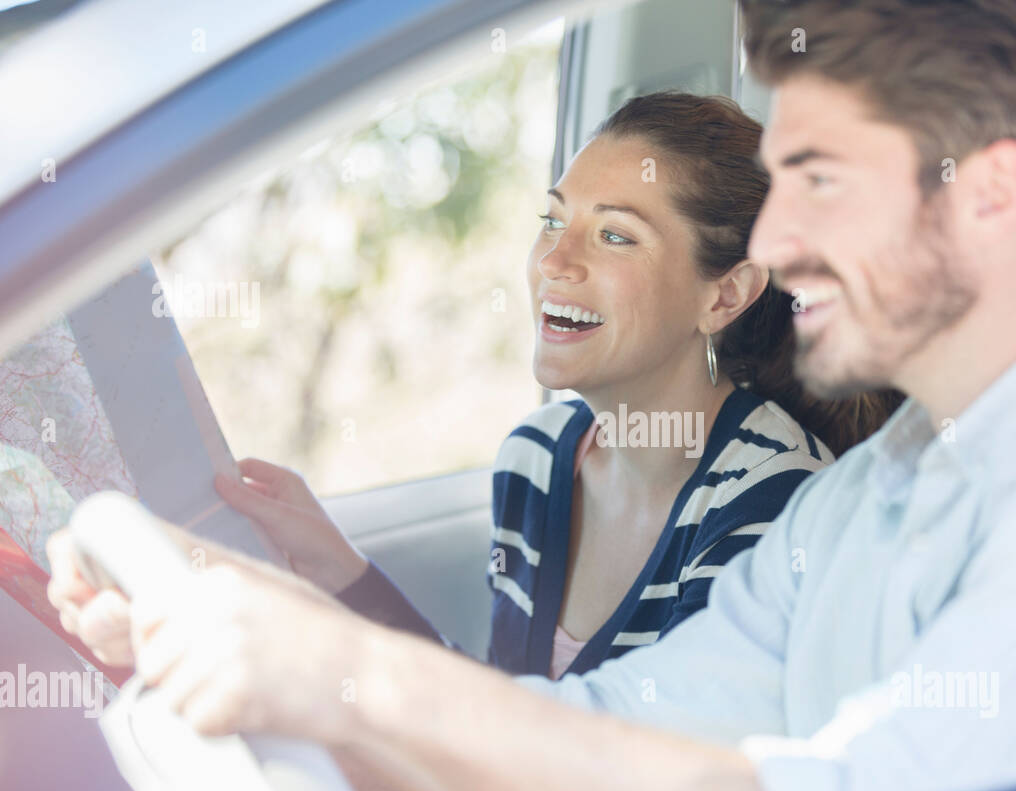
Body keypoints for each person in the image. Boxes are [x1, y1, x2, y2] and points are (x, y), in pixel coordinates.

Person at [49, 0, 1016, 791]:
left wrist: (355, 678)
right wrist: (286, 642)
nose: (775, 240)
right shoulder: (866, 497)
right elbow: (603, 733)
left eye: (817, 177)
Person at [87, 92, 897, 687]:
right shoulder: (538, 455)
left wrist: (335, 697)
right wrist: (340, 573)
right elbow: (503, 732)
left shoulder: (774, 505)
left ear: (724, 295)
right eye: (554, 220)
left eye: (614, 235)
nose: (553, 262)